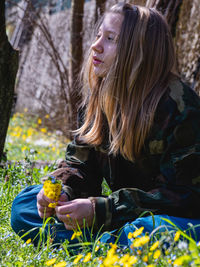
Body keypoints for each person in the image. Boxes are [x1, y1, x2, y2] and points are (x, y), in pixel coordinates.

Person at [11, 2, 200, 247]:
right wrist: (61, 190)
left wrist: (102, 210)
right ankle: (111, 246)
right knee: (24, 205)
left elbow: (185, 197)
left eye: (110, 38)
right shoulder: (99, 99)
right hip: (120, 216)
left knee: (149, 230)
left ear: (139, 51)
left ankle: (105, 245)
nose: (95, 45)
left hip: (173, 218)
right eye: (98, 35)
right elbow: (79, 162)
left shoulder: (180, 106)